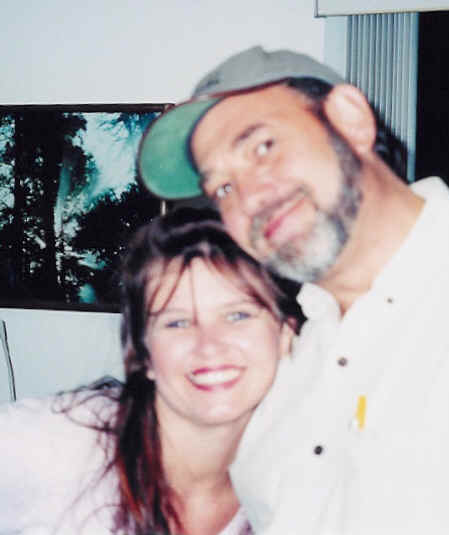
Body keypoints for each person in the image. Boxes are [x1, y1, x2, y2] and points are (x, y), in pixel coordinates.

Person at [137, 46, 449, 533]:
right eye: (222, 188)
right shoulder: (282, 369)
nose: (249, 199)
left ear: (351, 120)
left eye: (262, 148)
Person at [0, 208, 299, 534]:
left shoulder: (301, 489)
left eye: (237, 315)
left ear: (286, 335)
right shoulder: (62, 447)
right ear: (143, 353)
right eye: (177, 322)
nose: (209, 345)